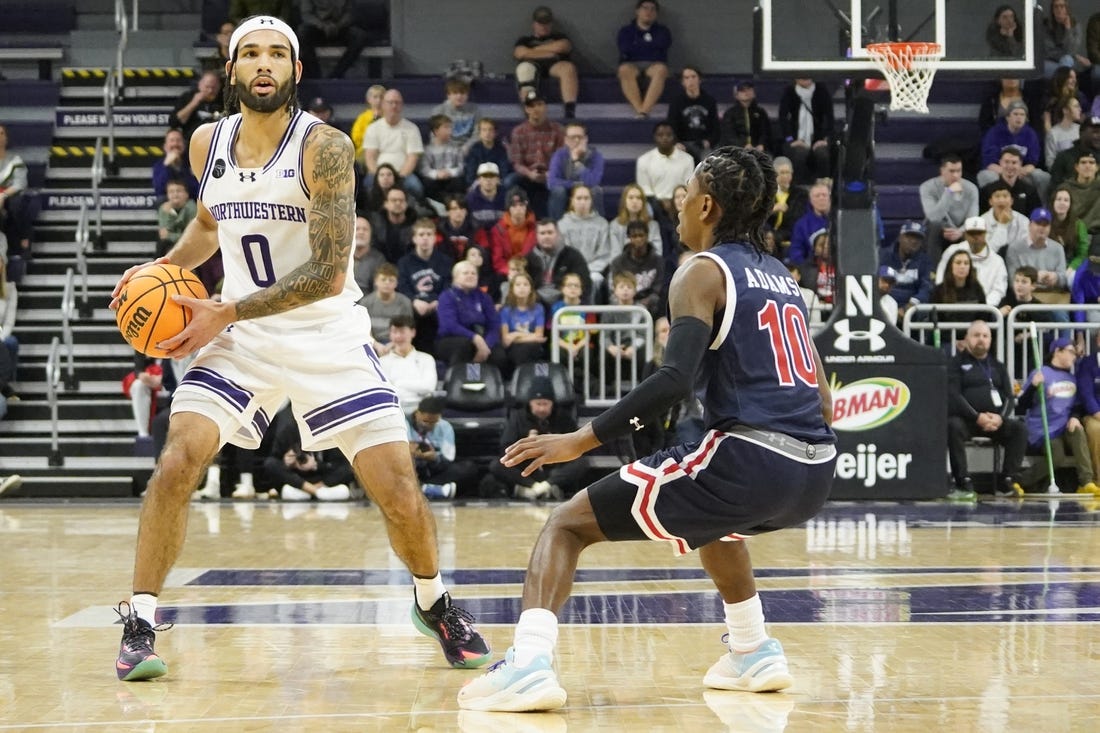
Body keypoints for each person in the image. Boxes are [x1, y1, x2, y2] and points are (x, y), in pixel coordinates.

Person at [107, 16, 489, 682]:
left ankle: (434, 602)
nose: (263, 63)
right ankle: (140, 620)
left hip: (325, 333)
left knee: (398, 489)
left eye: (276, 54)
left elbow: (329, 272)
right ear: (231, 72)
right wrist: (159, 269)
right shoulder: (207, 144)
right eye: (250, 54)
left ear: (296, 71)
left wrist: (227, 305)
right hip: (242, 337)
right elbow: (207, 223)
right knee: (176, 461)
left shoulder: (327, 147)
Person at [456, 146, 836, 712]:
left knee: (564, 525)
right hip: (815, 470)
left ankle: (528, 664)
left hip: (751, 459)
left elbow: (674, 381)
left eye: (685, 191)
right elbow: (824, 401)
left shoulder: (701, 272)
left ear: (706, 205)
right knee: (717, 522)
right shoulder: (780, 276)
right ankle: (754, 650)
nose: (677, 201)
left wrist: (579, 440)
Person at [946, 320, 1027, 501]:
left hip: (994, 421)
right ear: (966, 339)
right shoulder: (955, 364)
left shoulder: (998, 366)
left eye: (985, 336)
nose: (981, 340)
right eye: (976, 335)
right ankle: (962, 481)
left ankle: (1007, 480)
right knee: (953, 425)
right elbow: (954, 396)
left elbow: (1009, 397)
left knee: (1019, 429)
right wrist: (977, 417)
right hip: (967, 421)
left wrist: (1000, 418)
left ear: (990, 340)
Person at [1018, 337, 1100, 494]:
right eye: (1071, 352)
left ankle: (1086, 482)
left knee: (1077, 431)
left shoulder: (1071, 379)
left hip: (1064, 427)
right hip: (1044, 430)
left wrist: (1075, 416)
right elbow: (1023, 404)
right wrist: (1033, 387)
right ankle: (1021, 480)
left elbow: (1077, 404)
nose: (1074, 356)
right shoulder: (1040, 373)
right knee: (1057, 456)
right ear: (1057, 351)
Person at [486, 376, 588, 501]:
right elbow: (505, 448)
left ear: (552, 403)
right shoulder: (517, 417)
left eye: (545, 404)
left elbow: (575, 444)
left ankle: (542, 487)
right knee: (496, 464)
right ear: (530, 403)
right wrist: (525, 445)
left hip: (553, 468)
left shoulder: (563, 417)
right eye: (538, 404)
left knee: (581, 463)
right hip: (526, 470)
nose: (542, 408)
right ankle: (535, 488)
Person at [260, 405, 355, 501]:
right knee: (270, 463)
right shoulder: (289, 431)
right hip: (297, 480)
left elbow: (340, 464)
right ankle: (316, 492)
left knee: (350, 467)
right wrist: (287, 462)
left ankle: (310, 492)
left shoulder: (328, 431)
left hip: (323, 480)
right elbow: (274, 460)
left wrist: (316, 465)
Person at [435, 259, 508, 372]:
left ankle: (494, 386)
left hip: (482, 338)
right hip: (451, 339)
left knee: (498, 355)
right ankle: (455, 382)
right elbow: (449, 325)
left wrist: (486, 346)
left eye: (473, 273)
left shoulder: (484, 297)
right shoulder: (447, 296)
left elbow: (494, 325)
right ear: (455, 277)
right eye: (465, 273)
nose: (470, 275)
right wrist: (475, 338)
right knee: (464, 346)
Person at [513, 6, 579, 120]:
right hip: (532, 66)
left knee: (568, 68)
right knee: (523, 69)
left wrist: (532, 51)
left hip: (555, 66)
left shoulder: (558, 37)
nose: (543, 26)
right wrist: (549, 52)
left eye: (547, 23)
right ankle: (530, 109)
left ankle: (570, 110)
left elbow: (564, 46)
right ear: (534, 24)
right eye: (540, 23)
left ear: (551, 24)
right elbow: (519, 53)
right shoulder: (525, 40)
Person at [407, 396, 478, 500]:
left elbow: (449, 459)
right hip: (412, 469)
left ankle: (423, 489)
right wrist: (411, 453)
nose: (429, 426)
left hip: (435, 471)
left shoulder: (445, 427)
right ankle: (433, 490)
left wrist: (434, 458)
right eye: (425, 421)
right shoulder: (404, 424)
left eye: (433, 422)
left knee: (468, 468)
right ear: (417, 413)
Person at [398, 218, 452, 351]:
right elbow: (402, 286)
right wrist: (414, 301)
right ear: (414, 238)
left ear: (435, 238)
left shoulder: (445, 261)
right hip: (414, 308)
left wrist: (438, 301)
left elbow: (448, 284)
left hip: (437, 306)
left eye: (429, 234)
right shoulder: (404, 262)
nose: (425, 238)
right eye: (421, 235)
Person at [362, 89, 425, 201]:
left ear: (401, 105)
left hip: (403, 173)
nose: (394, 106)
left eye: (397, 102)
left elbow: (412, 158)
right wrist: (379, 176)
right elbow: (370, 157)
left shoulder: (412, 129)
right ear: (383, 105)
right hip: (378, 173)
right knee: (366, 187)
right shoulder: (373, 128)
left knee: (416, 188)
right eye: (390, 102)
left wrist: (399, 178)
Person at [509, 92, 564, 217]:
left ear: (545, 107)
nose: (536, 109)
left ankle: (553, 228)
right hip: (528, 173)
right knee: (509, 182)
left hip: (551, 174)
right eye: (531, 106)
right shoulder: (518, 131)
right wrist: (529, 174)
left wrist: (551, 173)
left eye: (539, 105)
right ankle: (514, 223)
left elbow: (562, 159)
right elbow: (517, 163)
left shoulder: (558, 130)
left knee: (559, 190)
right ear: (527, 109)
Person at [616, 0, 672, 118]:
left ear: (656, 14)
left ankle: (644, 111)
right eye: (645, 8)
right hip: (632, 64)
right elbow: (625, 48)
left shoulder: (663, 31)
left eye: (652, 9)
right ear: (637, 11)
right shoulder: (626, 31)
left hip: (654, 64)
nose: (649, 12)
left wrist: (638, 44)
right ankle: (639, 110)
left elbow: (662, 45)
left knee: (661, 70)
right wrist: (649, 45)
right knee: (624, 70)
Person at [920, 154, 979, 263]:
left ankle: (971, 270)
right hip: (940, 230)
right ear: (942, 171)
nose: (956, 175)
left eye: (959, 171)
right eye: (951, 171)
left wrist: (960, 232)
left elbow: (972, 218)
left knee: (975, 229)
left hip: (961, 231)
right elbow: (933, 217)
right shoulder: (927, 187)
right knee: (934, 225)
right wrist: (949, 193)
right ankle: (933, 273)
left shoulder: (971, 189)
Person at [1005, 208, 1070, 305]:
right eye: (1038, 224)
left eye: (1045, 225)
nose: (1042, 228)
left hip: (1052, 296)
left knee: (1060, 316)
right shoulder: (1015, 248)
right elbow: (1011, 279)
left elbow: (1064, 279)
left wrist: (1055, 277)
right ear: (1030, 225)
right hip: (1026, 296)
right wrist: (1035, 277)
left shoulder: (1057, 248)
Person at [556, 184, 609, 298]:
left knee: (596, 279)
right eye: (579, 198)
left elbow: (605, 255)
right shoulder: (562, 225)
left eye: (586, 198)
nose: (582, 202)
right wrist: (577, 270)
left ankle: (592, 313)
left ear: (591, 201)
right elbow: (563, 254)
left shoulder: (602, 224)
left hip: (594, 271)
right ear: (572, 201)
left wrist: (586, 270)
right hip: (571, 271)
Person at [378, 314, 437, 416]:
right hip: (393, 411)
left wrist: (398, 383)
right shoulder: (382, 362)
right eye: (394, 332)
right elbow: (384, 392)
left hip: (421, 411)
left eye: (402, 332)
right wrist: (417, 389)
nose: (398, 336)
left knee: (444, 426)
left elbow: (428, 387)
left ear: (413, 332)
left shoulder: (426, 359)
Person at [777, 79, 833, 185]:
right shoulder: (789, 92)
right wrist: (790, 140)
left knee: (823, 154)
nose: (805, 77)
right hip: (795, 139)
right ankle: (799, 188)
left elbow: (829, 117)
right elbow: (783, 119)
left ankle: (823, 189)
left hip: (818, 139)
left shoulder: (821, 90)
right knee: (799, 154)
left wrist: (826, 139)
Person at [635, 121, 696, 219]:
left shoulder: (687, 159)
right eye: (660, 135)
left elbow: (687, 186)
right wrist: (661, 202)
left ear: (674, 137)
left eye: (669, 135)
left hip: (680, 202)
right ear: (654, 137)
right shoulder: (644, 160)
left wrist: (673, 201)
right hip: (654, 204)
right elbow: (645, 189)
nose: (665, 138)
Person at [297, 0, 370, 79]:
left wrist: (338, 25)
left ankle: (336, 75)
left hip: (341, 27)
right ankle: (316, 76)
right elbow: (306, 15)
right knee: (302, 33)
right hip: (317, 28)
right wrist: (322, 26)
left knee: (359, 36)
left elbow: (350, 13)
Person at [546, 121, 605, 221]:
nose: (577, 140)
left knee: (596, 190)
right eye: (572, 137)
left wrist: (576, 161)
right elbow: (552, 181)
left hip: (586, 192)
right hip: (566, 191)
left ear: (586, 139)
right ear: (566, 140)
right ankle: (555, 226)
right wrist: (577, 184)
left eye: (580, 137)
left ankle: (599, 224)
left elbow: (594, 181)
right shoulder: (559, 155)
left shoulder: (596, 156)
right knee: (558, 191)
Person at [0, 123, 40, 265]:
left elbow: (20, 184)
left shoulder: (15, 160)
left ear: (6, 138)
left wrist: (3, 195)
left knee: (17, 204)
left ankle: (24, 244)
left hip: (9, 197)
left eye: (1, 133)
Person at [879, 221, 934, 323]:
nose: (913, 241)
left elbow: (926, 287)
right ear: (900, 237)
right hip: (885, 300)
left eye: (918, 238)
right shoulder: (883, 256)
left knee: (922, 310)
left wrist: (910, 306)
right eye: (909, 236)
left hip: (911, 306)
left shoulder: (925, 261)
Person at [526, 217, 590, 305]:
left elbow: (585, 283)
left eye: (550, 233)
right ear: (537, 236)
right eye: (542, 233)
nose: (546, 236)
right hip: (535, 302)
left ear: (558, 234)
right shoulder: (528, 258)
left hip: (565, 300)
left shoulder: (573, 255)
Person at [610, 220, 664, 317]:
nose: (638, 239)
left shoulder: (658, 261)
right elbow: (613, 288)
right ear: (629, 238)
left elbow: (658, 289)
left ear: (647, 236)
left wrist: (642, 304)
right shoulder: (618, 262)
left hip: (651, 306)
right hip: (625, 303)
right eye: (634, 236)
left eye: (641, 235)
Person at [668, 66, 720, 163]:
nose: (690, 80)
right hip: (684, 143)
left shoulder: (709, 101)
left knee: (708, 164)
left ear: (699, 79)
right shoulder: (676, 102)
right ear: (682, 82)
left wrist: (709, 141)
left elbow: (716, 126)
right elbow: (672, 125)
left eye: (693, 77)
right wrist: (676, 142)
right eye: (687, 78)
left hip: (704, 143)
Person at [499, 271, 548, 369]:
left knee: (530, 348)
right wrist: (530, 336)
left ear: (531, 289)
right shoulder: (505, 310)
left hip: (533, 346)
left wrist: (514, 335)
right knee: (520, 352)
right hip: (513, 349)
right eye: (518, 285)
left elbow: (539, 335)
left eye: (525, 284)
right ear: (512, 289)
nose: (522, 287)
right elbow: (505, 340)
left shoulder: (538, 308)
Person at [359, 262, 413, 351]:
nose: (387, 283)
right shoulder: (365, 302)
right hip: (371, 343)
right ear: (376, 281)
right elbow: (363, 329)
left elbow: (407, 330)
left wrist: (392, 345)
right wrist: (376, 345)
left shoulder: (405, 302)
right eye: (383, 279)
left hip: (397, 344)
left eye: (391, 280)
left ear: (396, 283)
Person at [978, 143, 1045, 213]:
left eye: (1014, 162)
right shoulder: (988, 191)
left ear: (1020, 164)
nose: (1010, 166)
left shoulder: (1030, 191)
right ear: (1000, 163)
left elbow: (1035, 217)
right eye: (1006, 162)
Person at [488, 187, 537, 277]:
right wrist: (511, 272)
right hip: (507, 273)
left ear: (526, 206)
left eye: (522, 205)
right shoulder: (498, 230)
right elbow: (498, 260)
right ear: (508, 208)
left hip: (531, 272)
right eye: (514, 205)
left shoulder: (536, 228)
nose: (518, 209)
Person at [419, 114, 467, 204]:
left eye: (450, 128)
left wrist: (450, 172)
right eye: (446, 128)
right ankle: (435, 206)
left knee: (459, 182)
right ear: (436, 131)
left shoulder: (456, 147)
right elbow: (424, 169)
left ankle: (455, 205)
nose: (449, 131)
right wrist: (437, 174)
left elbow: (461, 167)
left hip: (452, 178)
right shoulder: (428, 149)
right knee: (428, 183)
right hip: (435, 180)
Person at [168, 70, 223, 143]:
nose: (210, 91)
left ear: (219, 86)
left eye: (214, 87)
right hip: (192, 142)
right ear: (200, 85)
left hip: (217, 142)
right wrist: (193, 103)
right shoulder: (188, 97)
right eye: (207, 87)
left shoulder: (224, 101)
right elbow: (174, 122)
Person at [979, 180, 1030, 258]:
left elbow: (1026, 248)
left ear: (1012, 201)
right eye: (997, 196)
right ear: (990, 202)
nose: (1001, 200)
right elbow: (986, 252)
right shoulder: (982, 221)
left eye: (1005, 196)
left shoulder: (1023, 221)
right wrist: (1001, 225)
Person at [718, 79, 771, 154]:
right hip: (735, 151)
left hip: (759, 150)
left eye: (749, 89)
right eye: (742, 90)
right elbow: (729, 135)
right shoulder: (730, 113)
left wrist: (762, 144)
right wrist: (743, 145)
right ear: (736, 95)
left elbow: (766, 132)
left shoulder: (761, 112)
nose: (747, 92)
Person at [1049, 188, 1090, 283]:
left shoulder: (1079, 225)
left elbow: (1082, 254)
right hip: (1049, 267)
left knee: (1073, 280)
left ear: (1070, 205)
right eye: (1058, 199)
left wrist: (1071, 268)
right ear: (1053, 202)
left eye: (1066, 200)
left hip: (1071, 268)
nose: (1062, 203)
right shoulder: (1046, 222)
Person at [765, 156, 804, 254]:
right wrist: (771, 210)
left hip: (789, 238)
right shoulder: (765, 193)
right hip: (766, 237)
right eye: (782, 173)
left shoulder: (800, 194)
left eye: (788, 173)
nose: (785, 176)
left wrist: (775, 236)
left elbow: (796, 219)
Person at [464, 118, 516, 191]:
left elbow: (504, 169)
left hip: (497, 181)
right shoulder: (474, 150)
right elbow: (471, 171)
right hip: (479, 181)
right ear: (479, 133)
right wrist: (481, 181)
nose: (487, 133)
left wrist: (496, 180)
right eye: (484, 130)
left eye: (490, 130)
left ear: (495, 133)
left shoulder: (501, 149)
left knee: (508, 181)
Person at [431, 78, 481, 152]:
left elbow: (477, 134)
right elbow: (435, 136)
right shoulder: (439, 110)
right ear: (448, 95)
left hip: (469, 149)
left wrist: (466, 148)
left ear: (467, 95)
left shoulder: (475, 109)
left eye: (463, 93)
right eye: (455, 93)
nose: (459, 96)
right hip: (446, 149)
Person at [788, 180, 830, 266]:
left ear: (830, 198)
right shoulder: (801, 224)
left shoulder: (839, 220)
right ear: (810, 200)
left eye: (824, 195)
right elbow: (796, 251)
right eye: (817, 196)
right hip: (812, 269)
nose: (821, 198)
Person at [151, 128, 199, 201]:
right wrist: (166, 166)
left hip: (190, 203)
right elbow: (159, 191)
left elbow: (197, 190)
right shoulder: (159, 165)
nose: (175, 144)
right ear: (165, 147)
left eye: (178, 140)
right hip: (168, 203)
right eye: (172, 140)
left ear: (184, 145)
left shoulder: (192, 163)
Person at [156, 179, 197, 258]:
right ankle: (157, 268)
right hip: (172, 243)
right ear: (167, 195)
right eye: (171, 192)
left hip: (189, 245)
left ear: (186, 194)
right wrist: (170, 213)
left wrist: (170, 235)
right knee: (162, 244)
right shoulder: (164, 208)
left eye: (179, 191)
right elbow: (163, 234)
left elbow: (190, 237)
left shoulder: (192, 208)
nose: (175, 194)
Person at [466, 161, 508, 233]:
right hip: (478, 239)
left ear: (498, 179)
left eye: (492, 176)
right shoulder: (470, 199)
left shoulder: (506, 197)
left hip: (501, 238)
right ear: (479, 180)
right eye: (485, 176)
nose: (488, 179)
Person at [349, 83, 385, 161]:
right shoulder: (363, 117)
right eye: (375, 97)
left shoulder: (389, 116)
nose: (378, 100)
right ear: (369, 99)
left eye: (381, 97)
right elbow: (356, 137)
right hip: (365, 150)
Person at [351, 214, 384, 293]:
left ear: (371, 234)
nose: (361, 232)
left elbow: (378, 291)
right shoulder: (339, 257)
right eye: (357, 229)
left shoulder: (378, 259)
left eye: (365, 229)